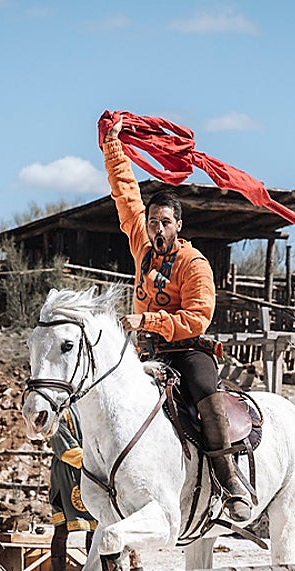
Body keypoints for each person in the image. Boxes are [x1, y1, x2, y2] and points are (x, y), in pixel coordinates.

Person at [102, 116, 252, 522]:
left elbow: (198, 317)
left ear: (178, 225)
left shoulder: (193, 263)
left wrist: (148, 320)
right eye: (152, 222)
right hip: (145, 351)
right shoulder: (141, 246)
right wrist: (113, 146)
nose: (156, 228)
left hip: (186, 350)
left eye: (164, 222)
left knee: (206, 393)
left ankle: (229, 477)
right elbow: (125, 194)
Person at [48, 407, 96, 571]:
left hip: (93, 475)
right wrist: (97, 463)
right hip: (67, 474)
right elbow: (66, 450)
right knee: (62, 528)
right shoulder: (59, 413)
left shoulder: (90, 407)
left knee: (95, 528)